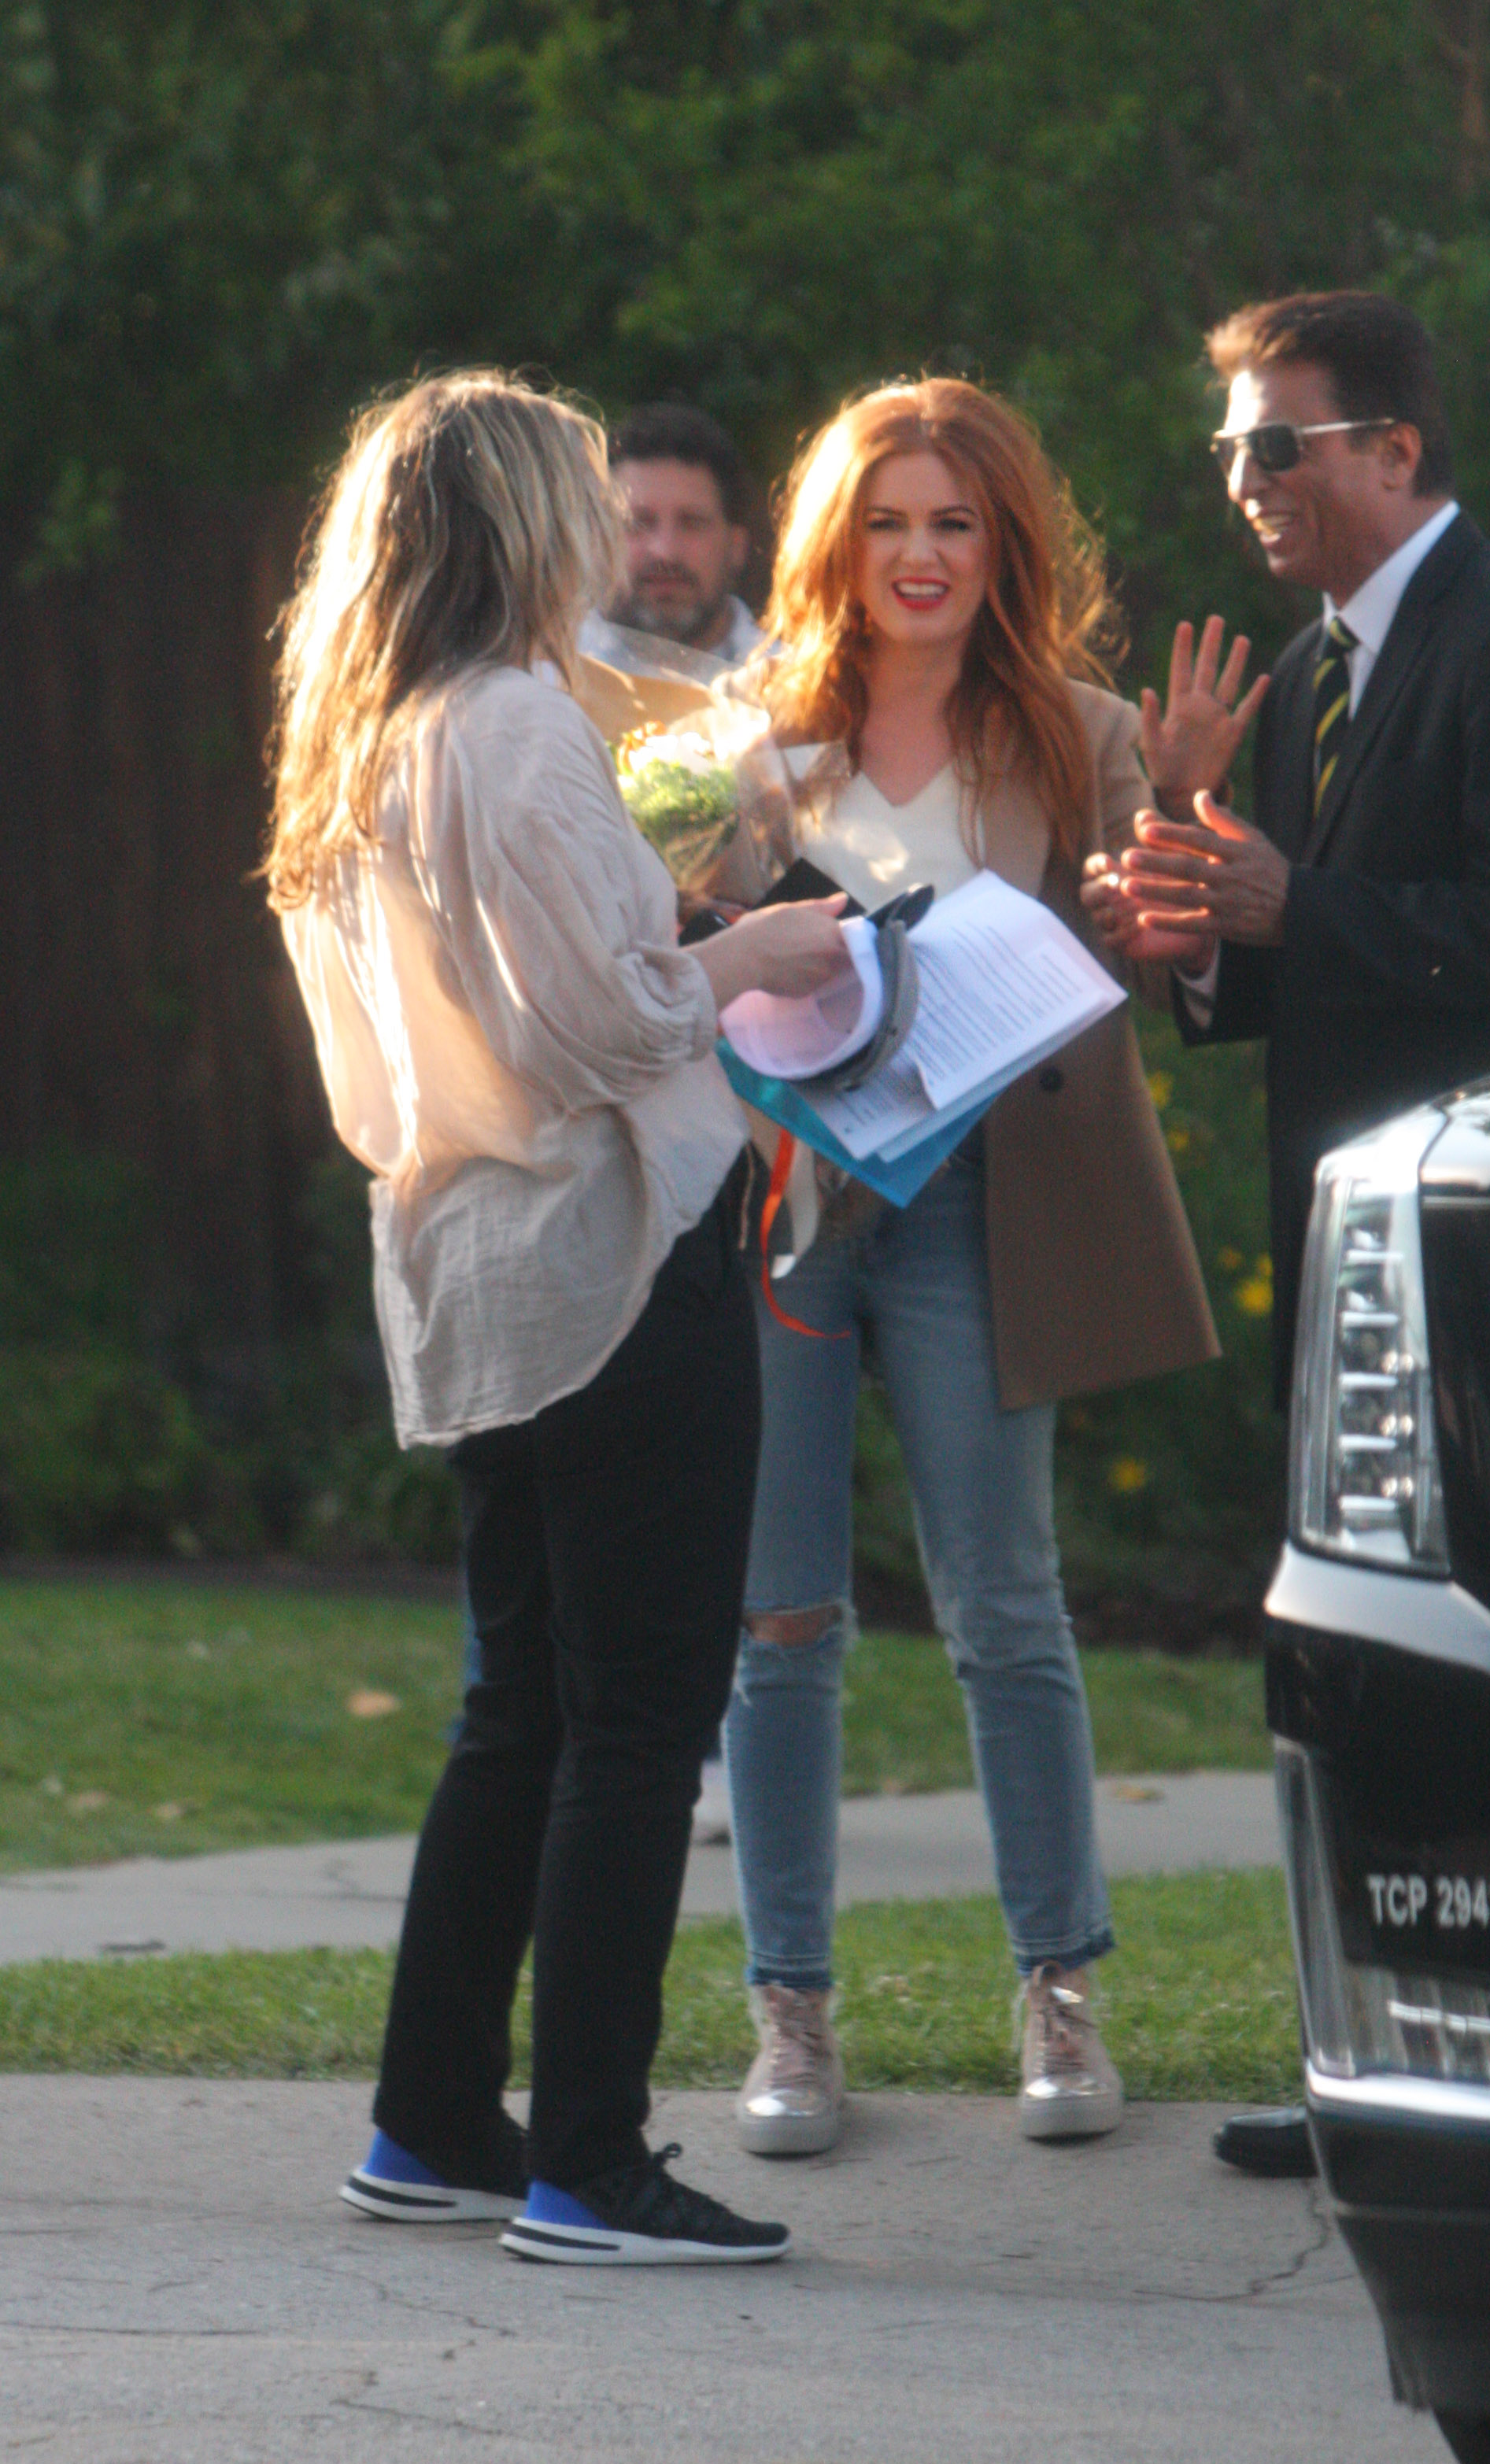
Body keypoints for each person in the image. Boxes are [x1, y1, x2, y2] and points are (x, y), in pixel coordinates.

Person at [266, 369, 849, 2263]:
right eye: (585, 500)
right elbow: (609, 1018)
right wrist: (751, 947)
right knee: (635, 1717)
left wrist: (676, 899)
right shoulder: (514, 725)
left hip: (471, 1264)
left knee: (518, 1705)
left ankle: (433, 2117)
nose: (610, 535)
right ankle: (590, 2161)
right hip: (606, 1258)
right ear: (522, 521)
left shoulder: (367, 735)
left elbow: (456, 1030)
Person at [1085, 290, 1490, 2175]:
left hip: (1478, 1265)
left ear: (1391, 449)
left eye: (1274, 443)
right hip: (1349, 1254)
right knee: (1350, 1672)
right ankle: (1381, 2061)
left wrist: (1288, 902)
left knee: (1477, 1674)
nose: (1238, 479)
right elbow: (1281, 963)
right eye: (1225, 449)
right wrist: (1187, 925)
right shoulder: (1314, 665)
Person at [716, 377, 1251, 2158]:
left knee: (1004, 1607)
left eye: (952, 522)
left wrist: (1179, 822)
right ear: (838, 545)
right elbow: (685, 970)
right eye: (886, 523)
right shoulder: (754, 744)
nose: (919, 555)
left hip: (981, 1208)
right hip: (792, 1208)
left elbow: (1168, 963)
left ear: (1004, 541)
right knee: (780, 1619)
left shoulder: (1078, 734)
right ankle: (790, 2013)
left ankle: (1060, 1990)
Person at [579, 402, 768, 669]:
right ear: (597, 539)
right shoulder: (546, 674)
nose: (665, 551)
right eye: (637, 523)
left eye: (692, 523)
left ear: (737, 546)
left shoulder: (796, 684)